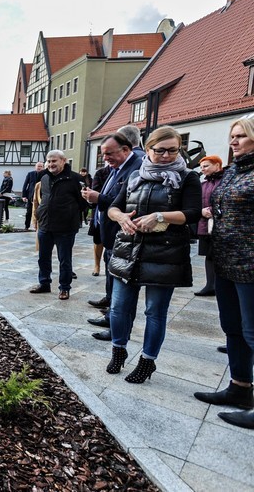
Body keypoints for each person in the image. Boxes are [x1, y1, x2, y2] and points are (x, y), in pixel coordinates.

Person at [104, 126, 201, 384]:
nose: (167, 156)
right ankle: (118, 350)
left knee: (155, 312)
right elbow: (114, 207)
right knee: (118, 308)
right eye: (160, 150)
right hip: (129, 250)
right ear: (148, 149)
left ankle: (148, 361)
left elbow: (192, 213)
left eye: (173, 150)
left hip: (165, 252)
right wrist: (121, 217)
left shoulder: (188, 177)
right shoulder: (137, 174)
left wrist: (161, 216)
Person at [193, 115, 254, 429]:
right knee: (232, 327)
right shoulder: (232, 172)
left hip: (250, 265)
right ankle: (240, 388)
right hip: (225, 261)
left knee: (253, 332)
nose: (234, 141)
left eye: (241, 136)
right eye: (232, 136)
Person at [81, 132, 143, 340]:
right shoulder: (118, 168)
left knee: (122, 288)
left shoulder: (136, 167)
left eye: (109, 154)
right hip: (111, 234)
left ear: (126, 149)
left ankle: (117, 329)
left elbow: (124, 203)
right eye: (103, 155)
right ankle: (110, 317)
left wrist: (98, 198)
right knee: (112, 281)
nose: (105, 158)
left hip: (123, 236)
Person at [29, 150, 86, 300]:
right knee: (43, 258)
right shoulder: (45, 178)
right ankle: (44, 283)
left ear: (63, 161)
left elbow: (83, 203)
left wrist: (69, 214)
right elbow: (43, 198)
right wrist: (40, 214)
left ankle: (64, 288)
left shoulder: (75, 179)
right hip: (45, 225)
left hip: (65, 228)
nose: (50, 164)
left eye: (54, 161)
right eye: (48, 161)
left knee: (64, 260)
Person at [194, 155, 224, 297]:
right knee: (209, 255)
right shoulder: (203, 185)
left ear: (217, 165)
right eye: (201, 167)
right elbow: (195, 204)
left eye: (206, 166)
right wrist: (200, 211)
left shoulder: (224, 182)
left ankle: (220, 286)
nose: (203, 169)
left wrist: (212, 211)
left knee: (220, 255)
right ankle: (210, 285)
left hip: (221, 225)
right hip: (205, 225)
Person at [88, 164, 110, 276]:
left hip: (115, 210)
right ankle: (97, 265)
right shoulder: (101, 173)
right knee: (98, 239)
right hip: (100, 210)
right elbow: (95, 192)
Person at [22, 162, 44, 230]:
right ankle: (27, 226)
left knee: (40, 212)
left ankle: (38, 226)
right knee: (29, 212)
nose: (39, 167)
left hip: (41, 196)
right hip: (31, 196)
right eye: (38, 166)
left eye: (41, 166)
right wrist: (24, 196)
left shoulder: (45, 175)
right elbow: (25, 185)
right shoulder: (30, 174)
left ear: (43, 167)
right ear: (35, 167)